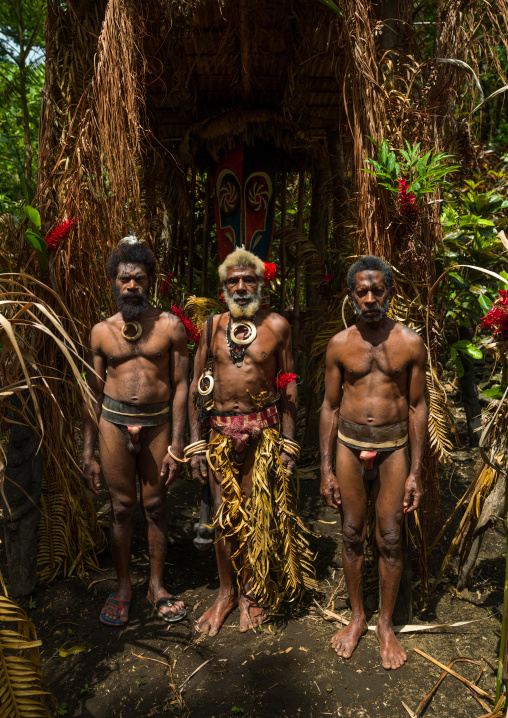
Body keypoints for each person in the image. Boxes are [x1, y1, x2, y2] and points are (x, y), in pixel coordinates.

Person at [188, 248, 316, 636]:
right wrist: (195, 444)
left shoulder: (278, 325)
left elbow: (289, 385)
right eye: (233, 281)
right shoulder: (212, 327)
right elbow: (197, 388)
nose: (241, 287)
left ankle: (252, 591)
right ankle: (226, 592)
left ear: (261, 284)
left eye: (249, 280)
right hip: (219, 436)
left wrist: (289, 443)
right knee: (225, 516)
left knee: (255, 514)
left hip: (263, 436)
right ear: (224, 287)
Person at [319, 255, 427, 670]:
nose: (369, 298)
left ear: (390, 293)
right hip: (349, 445)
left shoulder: (409, 343)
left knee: (391, 538)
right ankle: (357, 616)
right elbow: (329, 406)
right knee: (350, 532)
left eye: (376, 290)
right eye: (361, 291)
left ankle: (385, 624)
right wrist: (326, 468)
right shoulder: (339, 344)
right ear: (351, 295)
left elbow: (417, 407)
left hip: (393, 447)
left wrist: (416, 472)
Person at [82, 237, 189, 626]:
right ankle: (123, 585)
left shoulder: (170, 327)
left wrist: (179, 444)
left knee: (156, 505)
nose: (131, 286)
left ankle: (156, 585)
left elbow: (182, 387)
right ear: (113, 281)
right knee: (123, 508)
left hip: (157, 423)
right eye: (124, 279)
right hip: (112, 421)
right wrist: (88, 453)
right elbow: (93, 392)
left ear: (151, 282)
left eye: (139, 279)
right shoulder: (100, 332)